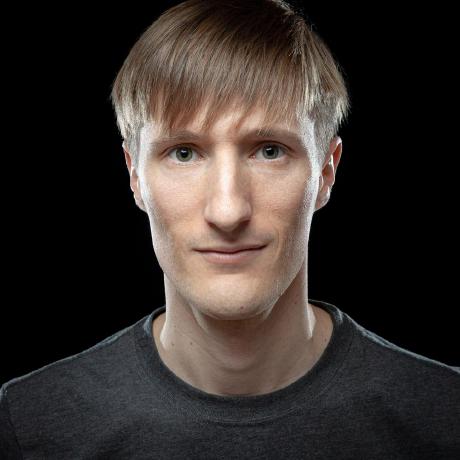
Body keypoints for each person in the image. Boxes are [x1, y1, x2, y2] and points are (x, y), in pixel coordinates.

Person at [1, 0, 459, 458]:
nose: (227, 211)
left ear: (325, 173)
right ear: (134, 176)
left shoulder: (446, 417)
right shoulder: (28, 424)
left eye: (269, 151)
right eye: (184, 153)